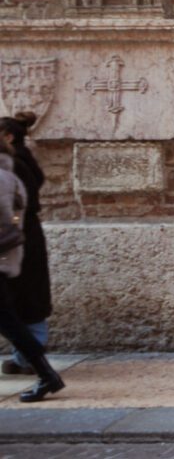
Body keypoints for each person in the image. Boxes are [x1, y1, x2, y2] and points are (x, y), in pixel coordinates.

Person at [0, 139, 63, 402]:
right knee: (11, 323)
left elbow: (6, 220)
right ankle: (47, 375)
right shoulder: (9, 173)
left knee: (12, 324)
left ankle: (46, 375)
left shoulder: (3, 177)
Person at [0, 113, 52, 377]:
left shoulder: (13, 166)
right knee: (23, 299)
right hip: (22, 237)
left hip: (15, 239)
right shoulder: (21, 161)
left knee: (23, 299)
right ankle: (28, 357)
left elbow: (15, 206)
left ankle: (32, 358)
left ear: (8, 136)